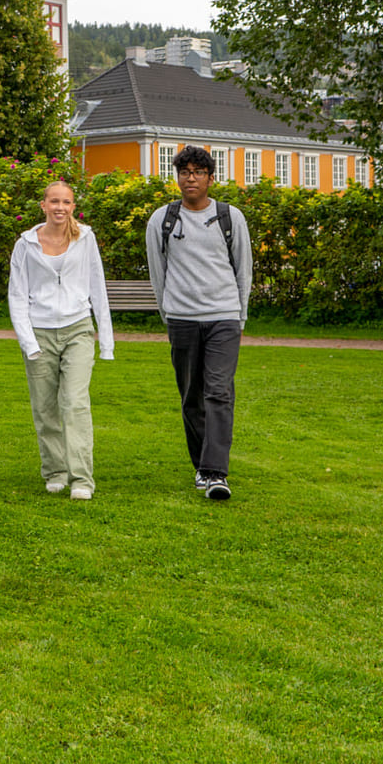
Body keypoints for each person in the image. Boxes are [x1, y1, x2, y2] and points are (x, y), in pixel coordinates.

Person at [145, 146, 252, 500]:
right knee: (192, 396)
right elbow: (158, 273)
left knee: (218, 393)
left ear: (210, 177)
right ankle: (201, 467)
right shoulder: (162, 219)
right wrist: (169, 312)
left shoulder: (229, 217)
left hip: (223, 317)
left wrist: (239, 314)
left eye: (198, 172)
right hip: (182, 320)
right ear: (177, 177)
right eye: (184, 171)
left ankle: (215, 471)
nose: (190, 178)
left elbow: (243, 269)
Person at [8, 180, 114, 501]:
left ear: (72, 206)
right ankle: (55, 471)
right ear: (43, 205)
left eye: (66, 202)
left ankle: (82, 478)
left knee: (75, 402)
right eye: (54, 201)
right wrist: (29, 342)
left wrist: (105, 342)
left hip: (78, 329)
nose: (60, 208)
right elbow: (17, 296)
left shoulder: (86, 238)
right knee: (45, 407)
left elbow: (98, 287)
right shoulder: (26, 244)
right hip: (39, 332)